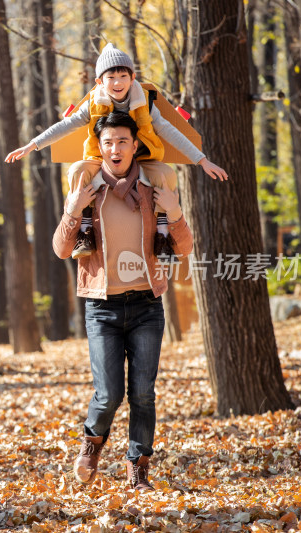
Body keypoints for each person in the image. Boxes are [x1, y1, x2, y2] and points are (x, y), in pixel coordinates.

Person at [53, 112, 193, 491]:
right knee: (109, 393)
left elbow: (184, 247)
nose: (115, 149)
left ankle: (138, 467)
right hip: (102, 308)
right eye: (108, 142)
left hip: (147, 305)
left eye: (122, 142)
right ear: (100, 148)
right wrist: (72, 208)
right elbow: (62, 249)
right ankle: (93, 440)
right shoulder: (87, 188)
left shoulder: (154, 188)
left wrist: (176, 212)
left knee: (143, 392)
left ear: (135, 146)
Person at [6, 43, 224, 262]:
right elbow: (66, 125)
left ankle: (162, 234)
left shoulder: (144, 102)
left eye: (123, 75)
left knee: (166, 174)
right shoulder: (93, 103)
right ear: (99, 81)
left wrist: (201, 160)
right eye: (111, 77)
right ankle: (86, 229)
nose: (118, 82)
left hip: (140, 156)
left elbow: (168, 130)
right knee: (76, 171)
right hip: (103, 159)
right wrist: (32, 145)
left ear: (132, 77)